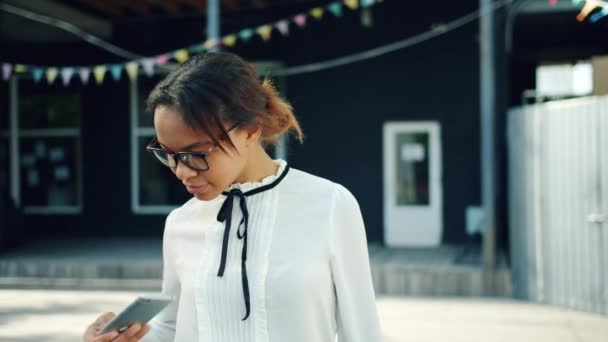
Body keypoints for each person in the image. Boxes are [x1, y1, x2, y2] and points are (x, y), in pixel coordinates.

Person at [83, 52, 382, 342]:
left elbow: (362, 331)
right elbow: (174, 328)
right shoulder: (179, 223)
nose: (181, 172)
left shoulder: (329, 205)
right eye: (169, 155)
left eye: (194, 154)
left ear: (250, 130)